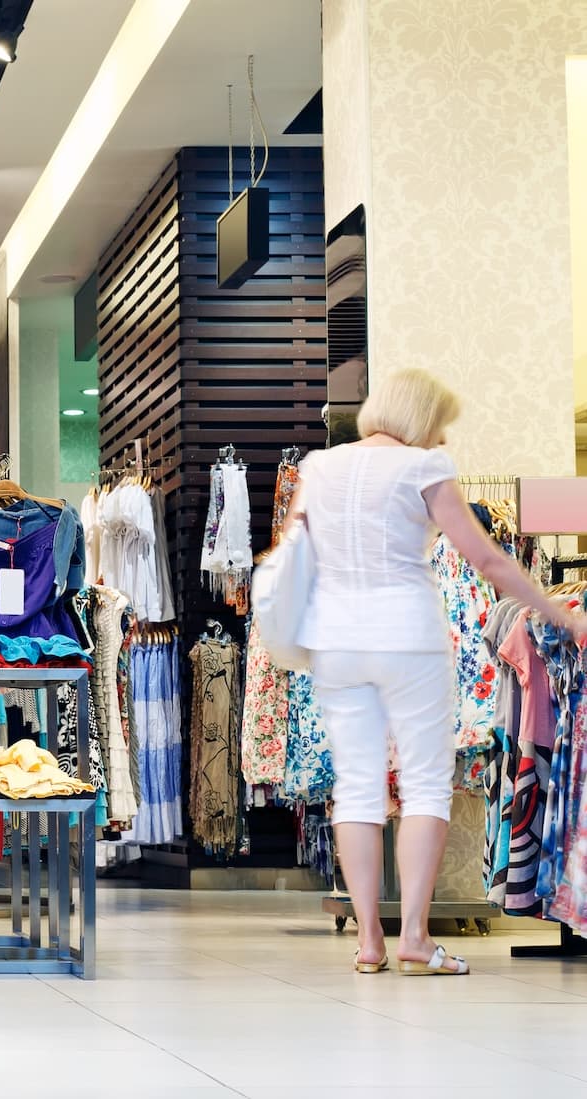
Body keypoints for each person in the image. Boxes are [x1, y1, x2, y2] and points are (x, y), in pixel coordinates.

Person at [292, 369, 587, 976]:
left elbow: (296, 555)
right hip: (408, 635)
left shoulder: (320, 468)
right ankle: (416, 939)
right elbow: (484, 558)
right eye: (441, 424)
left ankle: (370, 940)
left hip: (339, 639)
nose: (443, 436)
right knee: (424, 784)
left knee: (357, 786)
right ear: (422, 417)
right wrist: (559, 612)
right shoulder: (422, 467)